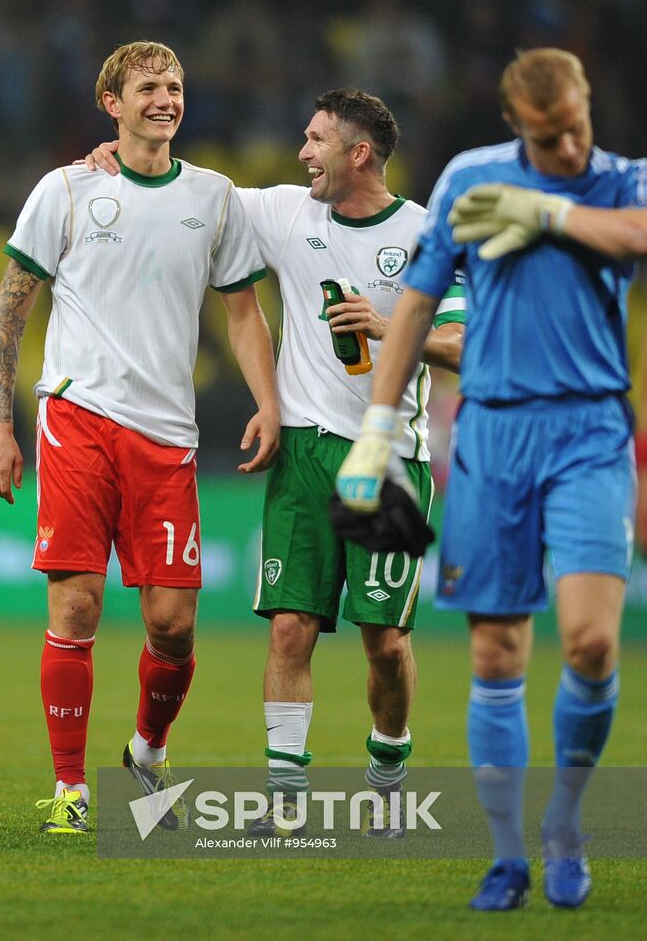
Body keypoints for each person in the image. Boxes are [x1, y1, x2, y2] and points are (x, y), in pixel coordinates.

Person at [86, 88, 465, 836]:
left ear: (359, 153)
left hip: (387, 458)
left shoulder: (426, 236)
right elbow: (192, 186)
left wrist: (393, 327)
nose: (302, 153)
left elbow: (466, 343)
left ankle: (387, 774)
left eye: (316, 139)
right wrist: (116, 156)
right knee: (289, 628)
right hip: (302, 454)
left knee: (385, 643)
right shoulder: (288, 212)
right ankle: (286, 800)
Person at [337, 48, 644, 904]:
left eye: (577, 126)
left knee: (589, 642)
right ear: (516, 126)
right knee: (496, 652)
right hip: (494, 433)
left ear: (589, 104)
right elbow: (416, 311)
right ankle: (509, 854)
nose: (569, 143)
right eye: (549, 138)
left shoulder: (622, 180)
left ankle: (567, 821)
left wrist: (544, 210)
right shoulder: (470, 178)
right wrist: (374, 428)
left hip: (587, 429)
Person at [0, 40, 279, 835]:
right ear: (112, 103)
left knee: (173, 626)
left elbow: (243, 312)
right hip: (76, 421)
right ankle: (72, 792)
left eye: (176, 86)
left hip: (166, 438)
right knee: (76, 604)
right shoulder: (67, 189)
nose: (166, 99)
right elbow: (11, 311)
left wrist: (269, 401)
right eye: (149, 87)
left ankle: (147, 754)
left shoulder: (215, 197)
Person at [445, 174, 647, 557]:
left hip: (598, 426)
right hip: (498, 426)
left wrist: (552, 215)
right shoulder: (468, 180)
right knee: (498, 608)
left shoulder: (626, 181)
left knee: (591, 599)